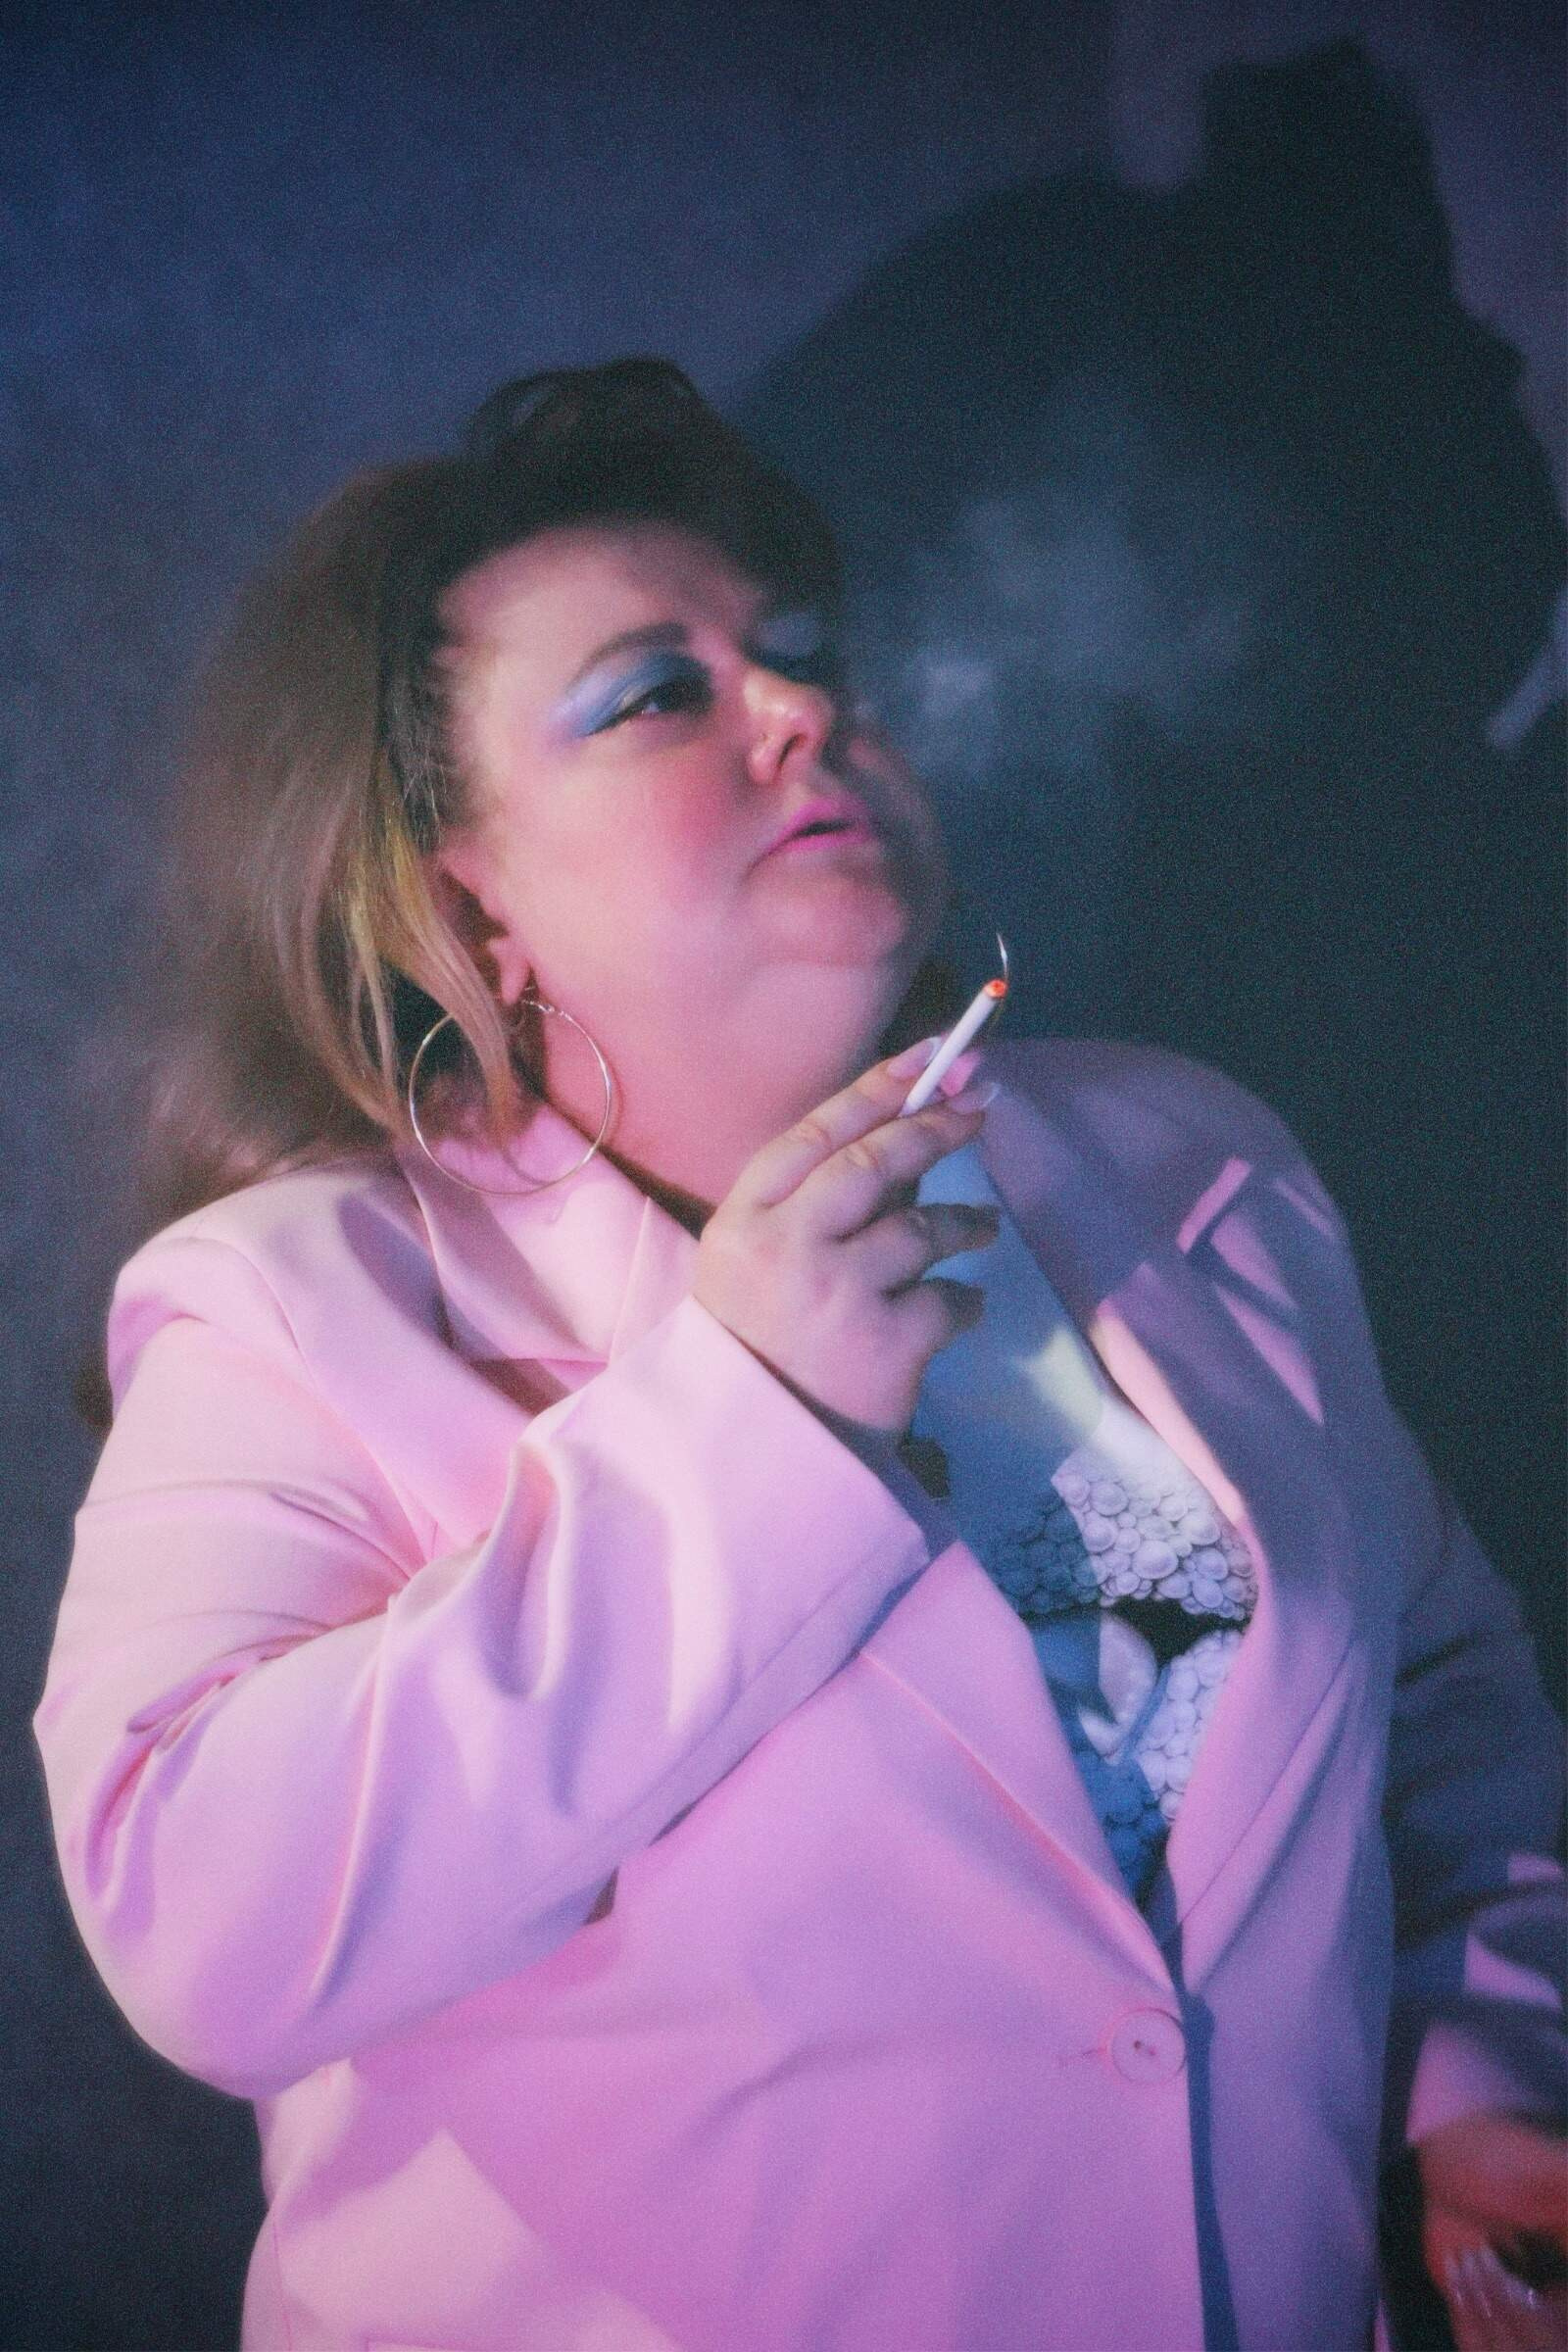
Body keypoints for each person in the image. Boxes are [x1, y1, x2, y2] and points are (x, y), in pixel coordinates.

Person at [35, 360, 1565, 2352]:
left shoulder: (1184, 1159)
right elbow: (207, 1930)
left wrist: (1478, 2069)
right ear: (463, 904)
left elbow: (1432, 1691)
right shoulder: (291, 1306)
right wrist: (752, 1419)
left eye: (803, 652)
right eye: (652, 694)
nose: (798, 707)